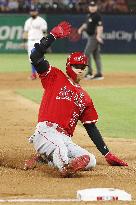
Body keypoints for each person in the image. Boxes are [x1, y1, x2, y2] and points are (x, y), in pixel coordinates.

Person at [24, 21, 128, 177]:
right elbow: (35, 56)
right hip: (46, 132)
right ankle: (64, 168)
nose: (80, 70)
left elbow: (91, 128)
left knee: (91, 160)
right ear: (68, 66)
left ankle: (46, 159)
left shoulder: (85, 97)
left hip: (65, 138)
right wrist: (51, 36)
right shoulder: (55, 76)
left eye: (83, 67)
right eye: (76, 66)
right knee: (60, 148)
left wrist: (107, 154)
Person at [78, 1, 104, 80]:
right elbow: (86, 24)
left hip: (94, 37)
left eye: (94, 6)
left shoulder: (97, 16)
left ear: (96, 7)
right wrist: (81, 29)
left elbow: (100, 27)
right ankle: (99, 74)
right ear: (89, 7)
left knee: (86, 54)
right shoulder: (89, 15)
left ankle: (89, 72)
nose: (92, 7)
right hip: (90, 37)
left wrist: (98, 36)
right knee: (96, 55)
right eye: (91, 6)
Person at [23, 5, 48, 80]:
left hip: (38, 41)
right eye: (32, 11)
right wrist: (24, 42)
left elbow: (44, 32)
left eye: (34, 11)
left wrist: (46, 42)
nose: (33, 13)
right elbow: (25, 32)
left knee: (39, 58)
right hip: (30, 41)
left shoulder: (41, 21)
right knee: (31, 59)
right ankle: (33, 74)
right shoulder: (27, 21)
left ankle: (45, 73)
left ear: (37, 12)